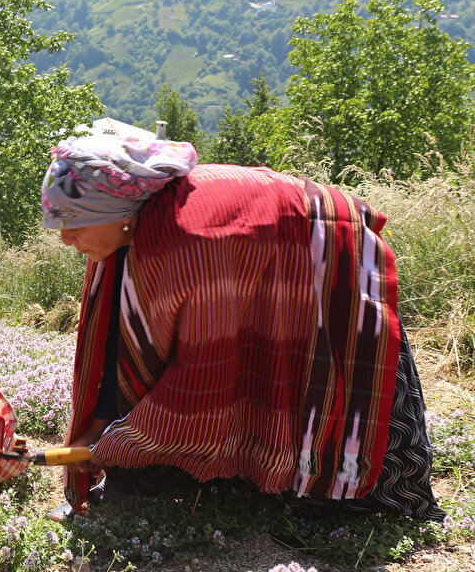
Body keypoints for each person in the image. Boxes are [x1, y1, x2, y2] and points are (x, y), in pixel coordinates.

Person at [41, 134, 442, 522]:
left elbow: (203, 373)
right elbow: (123, 341)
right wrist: (98, 427)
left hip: (320, 255)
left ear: (118, 214)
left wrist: (119, 442)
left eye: (74, 223)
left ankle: (332, 485)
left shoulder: (185, 243)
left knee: (323, 398)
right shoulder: (126, 226)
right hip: (257, 240)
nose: (64, 238)